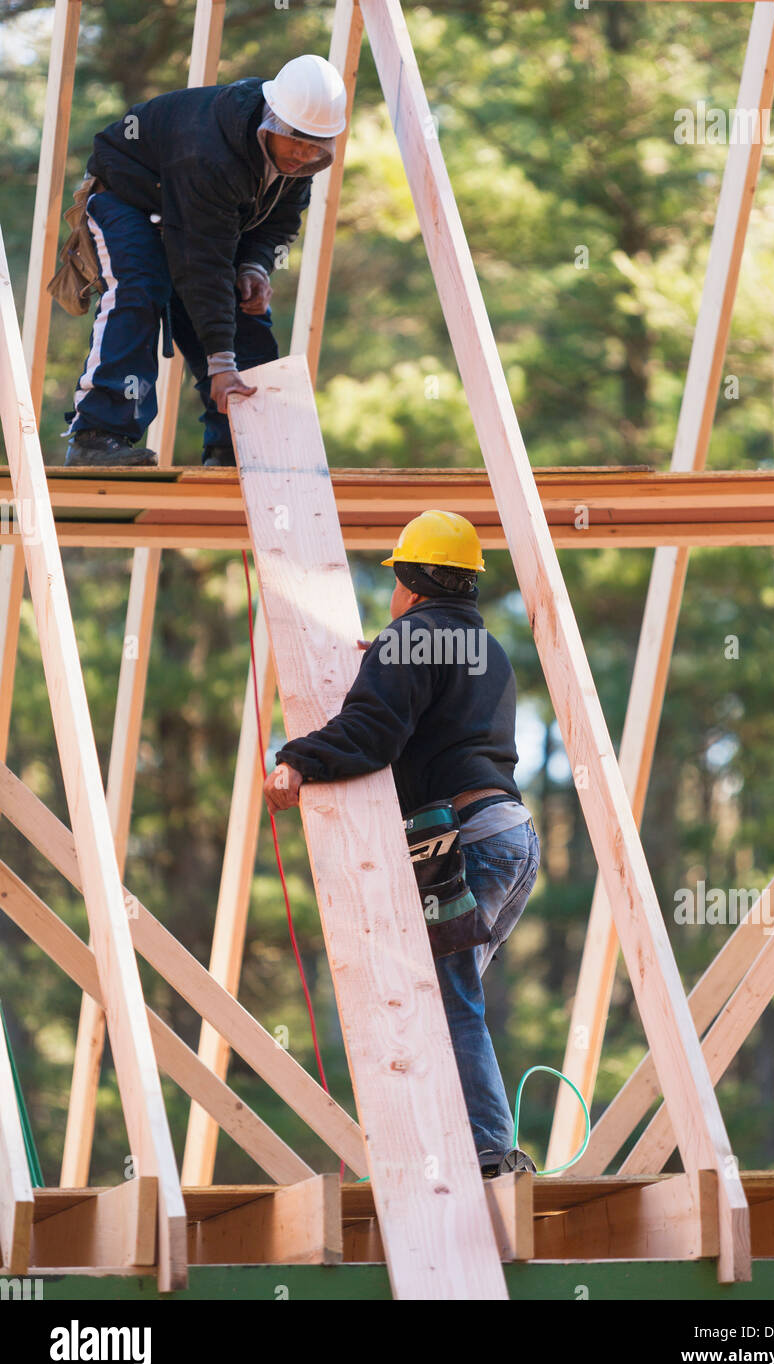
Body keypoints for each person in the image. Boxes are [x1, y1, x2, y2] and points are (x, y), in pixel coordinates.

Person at [263, 510, 541, 1178]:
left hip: (467, 843)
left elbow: (373, 730)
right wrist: (386, 660)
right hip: (513, 837)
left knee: (446, 1003)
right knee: (449, 998)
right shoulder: (485, 648)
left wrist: (298, 759)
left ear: (411, 584)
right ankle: (470, 1147)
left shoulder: (412, 637)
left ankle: (486, 1158)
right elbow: (434, 704)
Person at [63, 55, 346, 468]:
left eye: (315, 147)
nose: (303, 155)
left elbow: (278, 223)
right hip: (129, 199)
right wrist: (220, 362)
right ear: (274, 122)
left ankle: (238, 447)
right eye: (297, 141)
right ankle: (96, 437)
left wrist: (254, 267)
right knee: (140, 289)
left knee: (243, 310)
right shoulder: (209, 150)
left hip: (194, 221)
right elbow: (200, 261)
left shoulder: (298, 164)